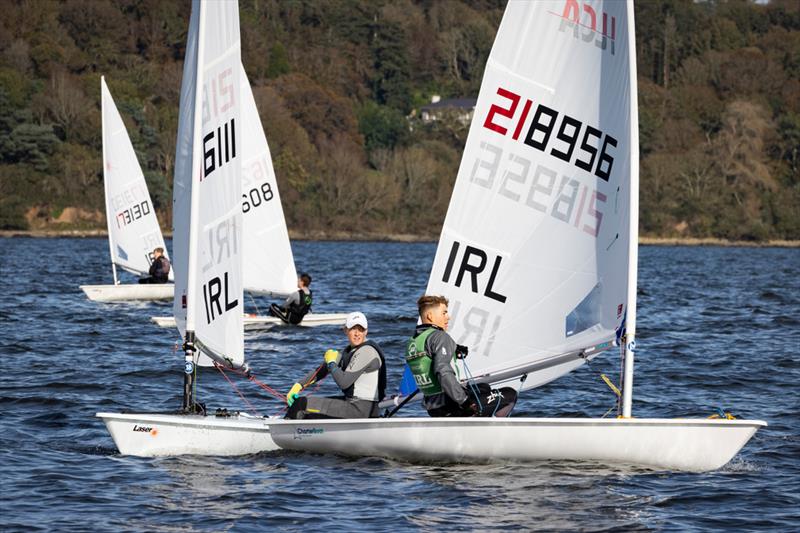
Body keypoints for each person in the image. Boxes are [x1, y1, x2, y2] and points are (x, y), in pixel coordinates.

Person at [406, 294, 517, 417]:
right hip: (454, 407)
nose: (448, 317)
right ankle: (489, 430)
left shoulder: (414, 341)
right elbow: (443, 372)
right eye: (444, 313)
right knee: (509, 394)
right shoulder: (440, 336)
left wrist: (454, 348)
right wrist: (465, 403)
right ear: (430, 316)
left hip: (434, 408)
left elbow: (429, 358)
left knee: (483, 388)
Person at [285, 311, 387, 419]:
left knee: (301, 404)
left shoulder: (367, 351)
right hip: (353, 405)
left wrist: (332, 363)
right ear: (345, 330)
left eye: (361, 329)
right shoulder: (350, 351)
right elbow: (323, 370)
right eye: (353, 329)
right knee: (305, 410)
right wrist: (298, 386)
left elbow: (344, 383)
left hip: (362, 410)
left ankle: (280, 432)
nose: (357, 333)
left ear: (366, 331)